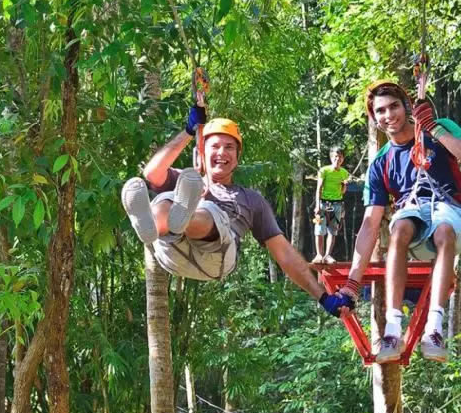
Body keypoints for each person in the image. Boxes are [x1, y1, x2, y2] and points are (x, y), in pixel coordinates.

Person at [120, 105, 354, 318]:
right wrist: (188, 132)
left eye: (229, 147)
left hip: (217, 257)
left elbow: (285, 254)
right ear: (202, 152)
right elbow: (151, 174)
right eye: (215, 146)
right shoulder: (188, 181)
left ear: (237, 157)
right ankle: (151, 226)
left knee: (207, 209)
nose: (222, 152)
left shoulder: (251, 200)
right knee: (165, 200)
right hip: (172, 253)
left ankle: (183, 217)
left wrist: (323, 297)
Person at [346, 81, 461, 363]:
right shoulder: (381, 163)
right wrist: (352, 283)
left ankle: (434, 328)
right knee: (399, 230)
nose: (388, 115)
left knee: (443, 231)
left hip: (449, 212)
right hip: (414, 219)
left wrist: (433, 127)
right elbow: (371, 224)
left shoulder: (436, 129)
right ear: (374, 118)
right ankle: (392, 329)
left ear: (406, 106)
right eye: (380, 110)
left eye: (394, 106)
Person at [313, 146, 350, 264]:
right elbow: (318, 188)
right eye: (335, 156)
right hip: (324, 203)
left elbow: (342, 192)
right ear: (331, 157)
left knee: (333, 230)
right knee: (319, 229)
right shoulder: (324, 170)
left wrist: (345, 185)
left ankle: (328, 255)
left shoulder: (344, 173)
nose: (338, 159)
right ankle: (319, 255)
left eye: (340, 157)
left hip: (337, 204)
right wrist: (318, 205)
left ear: (343, 159)